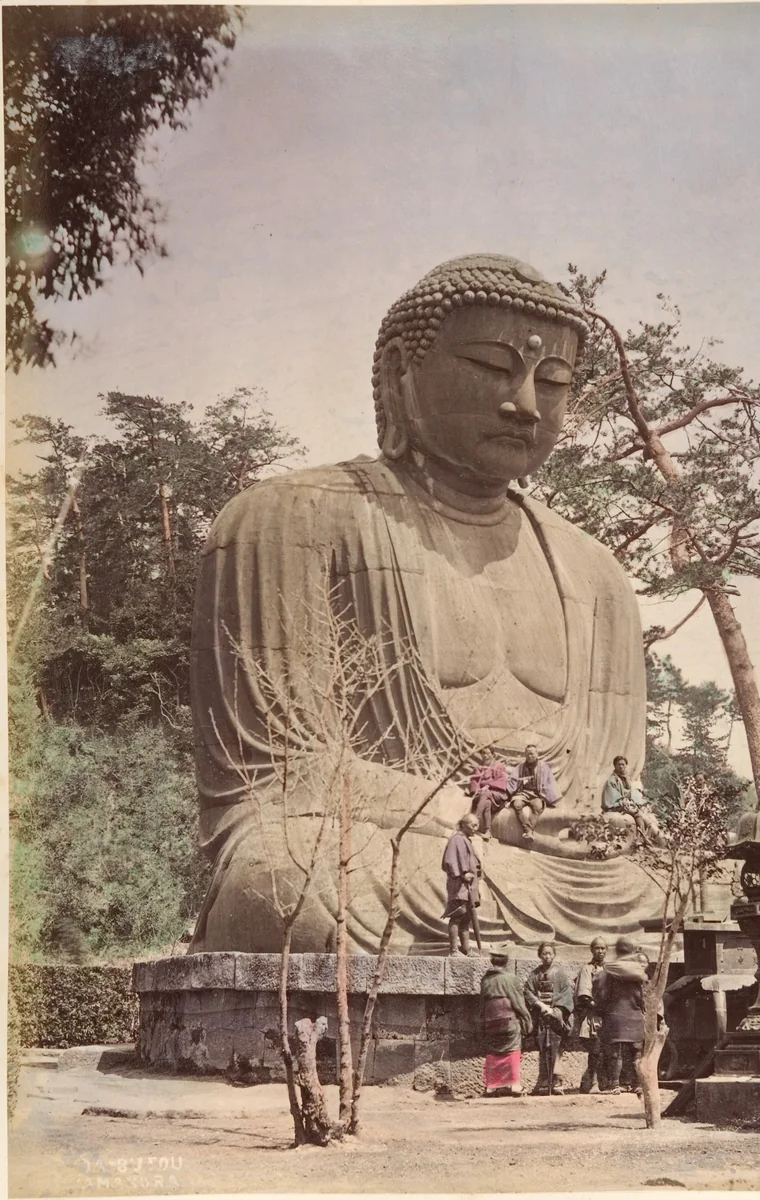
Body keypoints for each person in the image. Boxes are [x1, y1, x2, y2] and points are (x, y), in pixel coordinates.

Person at [189, 253, 651, 955]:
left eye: (551, 382)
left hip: (564, 873)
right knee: (284, 878)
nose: (524, 404)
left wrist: (586, 832)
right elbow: (279, 774)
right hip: (383, 850)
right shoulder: (286, 518)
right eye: (493, 368)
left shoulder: (598, 576)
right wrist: (482, 819)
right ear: (403, 371)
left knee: (688, 885)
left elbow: (609, 788)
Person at [593, 937, 648, 1094]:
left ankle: (615, 1085)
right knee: (637, 1052)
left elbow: (600, 996)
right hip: (635, 1016)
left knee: (614, 1053)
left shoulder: (606, 972)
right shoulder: (639, 973)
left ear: (616, 950)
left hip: (614, 1017)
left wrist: (599, 1012)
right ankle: (638, 1084)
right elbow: (644, 997)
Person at [479, 943, 533, 1097]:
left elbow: (481, 1004)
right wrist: (527, 1021)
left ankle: (491, 1086)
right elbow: (519, 1003)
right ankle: (515, 1085)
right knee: (513, 1050)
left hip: (490, 1021)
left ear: (492, 961)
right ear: (506, 961)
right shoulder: (511, 979)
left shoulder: (485, 981)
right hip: (509, 1020)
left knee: (492, 1051)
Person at [523, 941, 573, 1095]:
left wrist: (556, 1010)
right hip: (542, 1017)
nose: (547, 956)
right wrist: (539, 1005)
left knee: (557, 1048)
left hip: (556, 1018)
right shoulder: (535, 974)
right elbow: (527, 991)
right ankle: (544, 1081)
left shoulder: (560, 973)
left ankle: (557, 1082)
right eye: (544, 953)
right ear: (540, 955)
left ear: (554, 955)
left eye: (550, 953)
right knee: (543, 1048)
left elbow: (566, 993)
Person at [441, 814, 482, 956]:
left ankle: (466, 949)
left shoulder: (466, 840)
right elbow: (450, 861)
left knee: (467, 918)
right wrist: (463, 874)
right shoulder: (456, 839)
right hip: (460, 885)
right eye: (473, 825)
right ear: (464, 824)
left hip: (469, 886)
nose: (476, 829)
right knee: (457, 915)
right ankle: (453, 950)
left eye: (477, 825)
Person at [573, 937, 607, 1093]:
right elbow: (584, 995)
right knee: (595, 1049)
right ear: (592, 950)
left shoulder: (609, 968)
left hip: (608, 1014)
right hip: (594, 1013)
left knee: (607, 1051)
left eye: (603, 948)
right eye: (597, 948)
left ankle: (604, 1081)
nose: (600, 951)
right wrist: (597, 1006)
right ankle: (591, 1082)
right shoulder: (587, 969)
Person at [601, 756, 662, 844]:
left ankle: (643, 836)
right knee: (636, 813)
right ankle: (642, 837)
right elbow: (612, 796)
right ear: (614, 766)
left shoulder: (626, 778)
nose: (621, 766)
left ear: (626, 765)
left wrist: (630, 801)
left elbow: (629, 793)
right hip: (614, 805)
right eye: (618, 764)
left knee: (639, 813)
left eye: (623, 764)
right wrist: (623, 802)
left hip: (625, 803)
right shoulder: (612, 780)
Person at [508, 745, 560, 842]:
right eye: (527, 754)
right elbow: (513, 781)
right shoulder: (520, 767)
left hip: (536, 794)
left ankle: (528, 831)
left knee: (538, 807)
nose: (530, 756)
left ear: (537, 754)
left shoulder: (544, 767)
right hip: (523, 793)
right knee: (517, 804)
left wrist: (551, 798)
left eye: (532, 753)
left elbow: (550, 782)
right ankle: (528, 830)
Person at [468, 747, 510, 840]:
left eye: (487, 753)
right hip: (484, 794)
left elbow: (502, 781)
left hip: (497, 793)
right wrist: (477, 790)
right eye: (483, 753)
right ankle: (488, 831)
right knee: (487, 802)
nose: (485, 755)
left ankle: (475, 821)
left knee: (485, 794)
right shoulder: (479, 768)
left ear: (492, 754)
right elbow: (474, 781)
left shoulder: (499, 766)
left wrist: (489, 786)